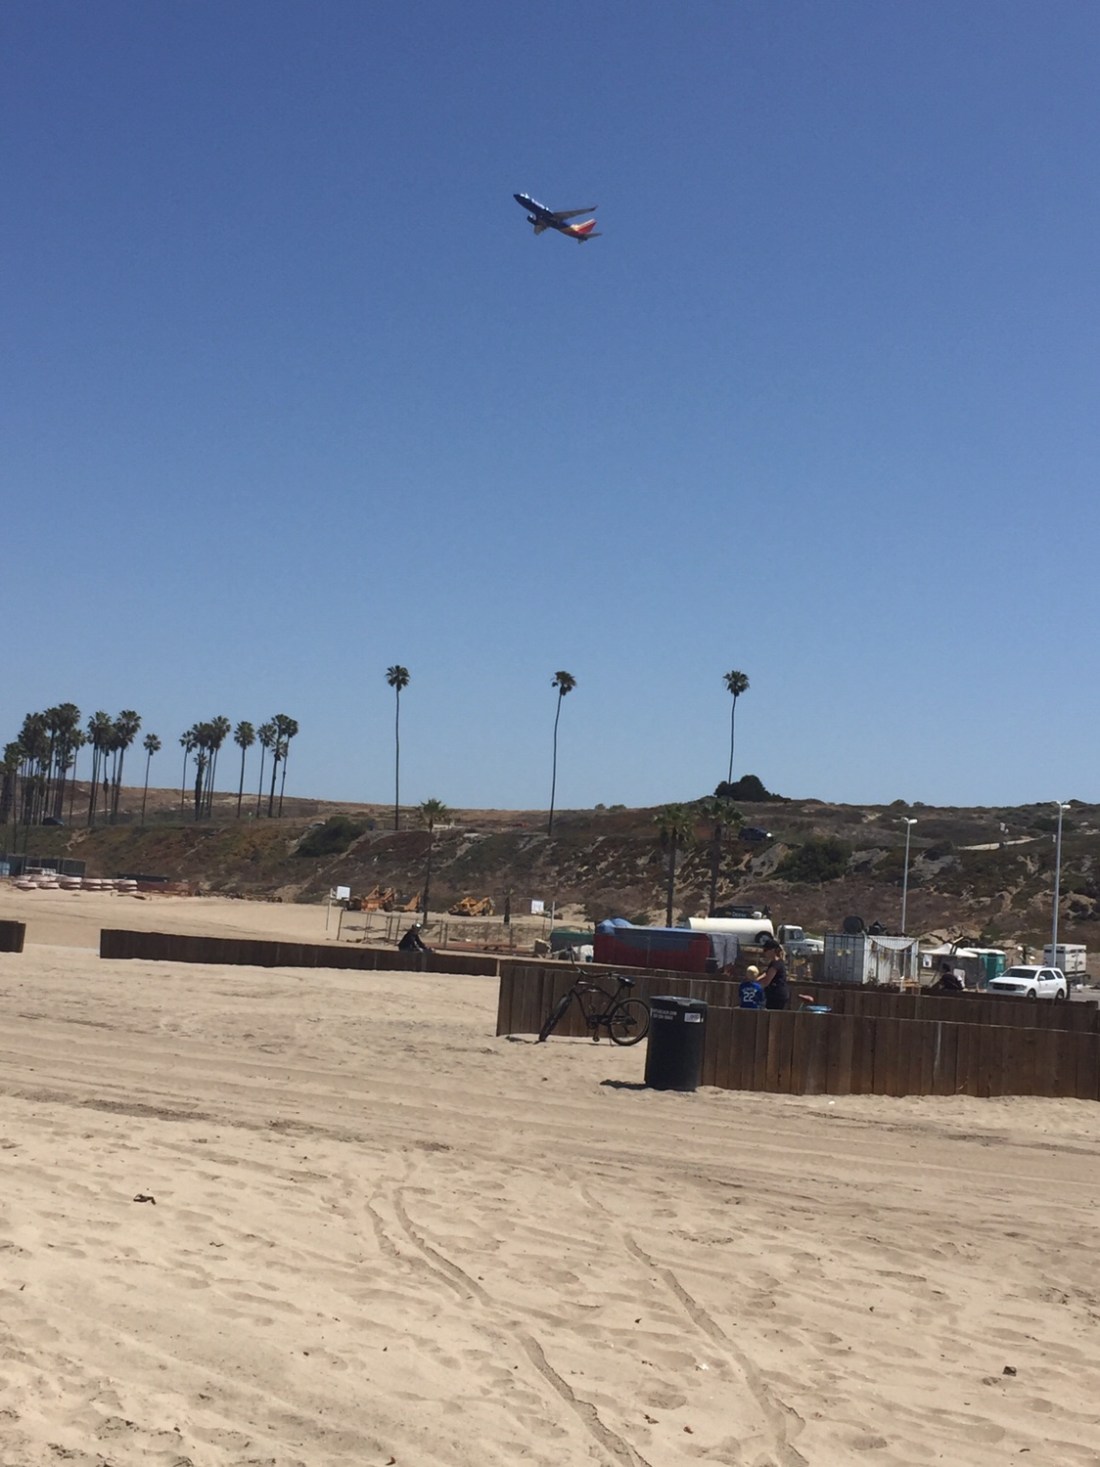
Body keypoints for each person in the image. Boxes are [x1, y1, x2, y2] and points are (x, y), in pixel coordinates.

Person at [758, 938, 790, 1010]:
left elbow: (766, 981)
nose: (764, 952)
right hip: (776, 995)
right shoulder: (775, 963)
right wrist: (754, 981)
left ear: (772, 950)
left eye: (765, 950)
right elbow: (766, 974)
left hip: (776, 996)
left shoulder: (776, 964)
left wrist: (754, 987)